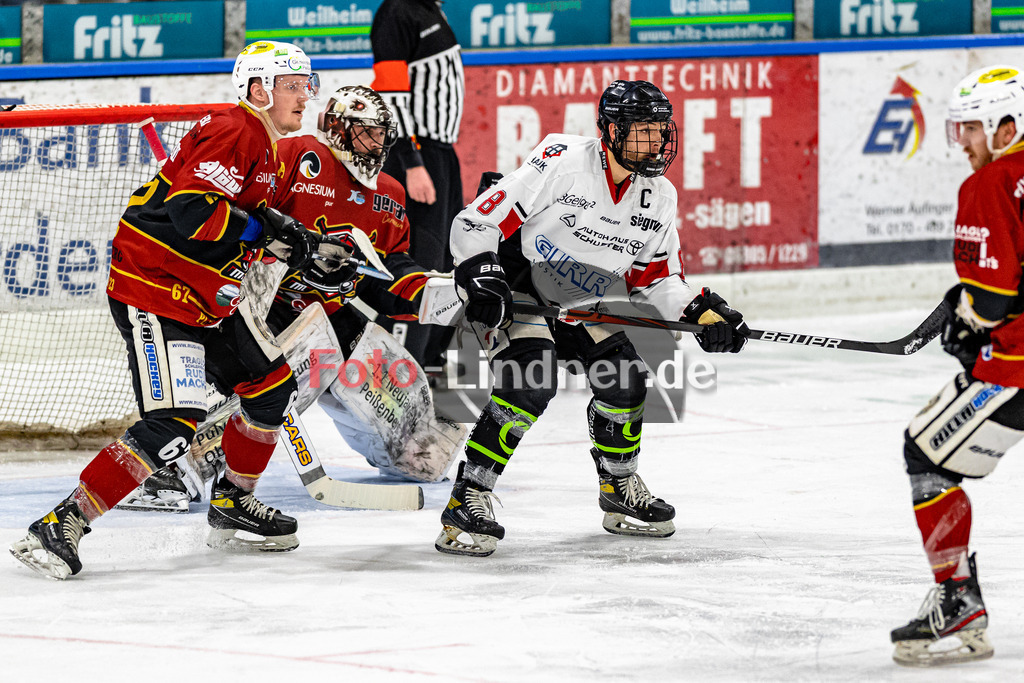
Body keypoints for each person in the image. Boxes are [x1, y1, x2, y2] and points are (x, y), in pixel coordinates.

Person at [7, 40, 343, 579]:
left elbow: (237, 229)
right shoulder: (238, 129)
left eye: (308, 84)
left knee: (271, 386)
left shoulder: (270, 147)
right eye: (293, 84)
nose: (306, 95)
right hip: (154, 291)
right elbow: (192, 212)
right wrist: (265, 228)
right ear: (258, 90)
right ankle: (61, 523)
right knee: (174, 424)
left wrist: (296, 246)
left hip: (204, 296)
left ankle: (233, 501)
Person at [434, 80, 750, 557]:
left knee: (625, 378)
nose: (658, 142)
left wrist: (699, 309)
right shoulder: (561, 159)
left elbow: (658, 277)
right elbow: (476, 222)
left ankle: (618, 490)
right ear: (610, 131)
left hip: (581, 297)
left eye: (662, 130)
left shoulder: (659, 195)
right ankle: (468, 497)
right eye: (644, 131)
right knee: (530, 381)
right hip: (518, 288)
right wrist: (480, 274)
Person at [890, 65, 1024, 666]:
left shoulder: (991, 182)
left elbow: (993, 301)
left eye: (971, 128)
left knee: (925, 455)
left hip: (1015, 369)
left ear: (1006, 125)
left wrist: (969, 324)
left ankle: (957, 598)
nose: (963, 142)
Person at [370, 0, 464, 378]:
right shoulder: (398, 11)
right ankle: (399, 367)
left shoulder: (431, 9)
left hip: (441, 153)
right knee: (421, 260)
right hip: (416, 153)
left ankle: (429, 357)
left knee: (447, 256)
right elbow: (390, 96)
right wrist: (412, 163)